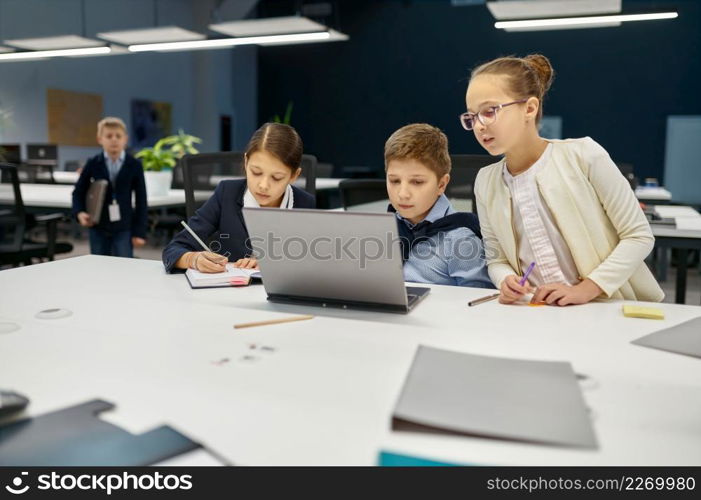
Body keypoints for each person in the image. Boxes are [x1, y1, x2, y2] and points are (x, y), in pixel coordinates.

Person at [465, 54, 663, 305]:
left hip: (605, 306)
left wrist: (586, 289)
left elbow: (638, 236)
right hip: (536, 311)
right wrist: (505, 280)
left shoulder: (584, 155)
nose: (479, 125)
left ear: (529, 108)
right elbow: (497, 259)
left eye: (489, 111)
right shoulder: (486, 180)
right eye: (472, 117)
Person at [162, 123, 315, 273]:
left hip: (281, 296)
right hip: (230, 293)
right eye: (256, 172)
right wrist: (193, 259)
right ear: (246, 162)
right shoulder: (227, 194)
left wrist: (271, 266)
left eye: (276, 177)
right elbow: (173, 249)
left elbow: (314, 264)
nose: (263, 185)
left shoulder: (305, 204)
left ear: (294, 176)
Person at [384, 123, 493, 288]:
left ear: (441, 184)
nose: (403, 193)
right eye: (394, 181)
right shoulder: (386, 227)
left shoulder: (460, 239)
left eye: (417, 182)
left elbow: (477, 302)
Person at [72, 117, 147, 257]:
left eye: (118, 136)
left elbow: (141, 200)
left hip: (124, 226)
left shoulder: (135, 165)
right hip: (98, 225)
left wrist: (139, 232)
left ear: (125, 139)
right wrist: (79, 212)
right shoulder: (93, 163)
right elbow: (78, 192)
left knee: (124, 266)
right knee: (99, 266)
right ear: (100, 139)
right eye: (109, 136)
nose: (114, 140)